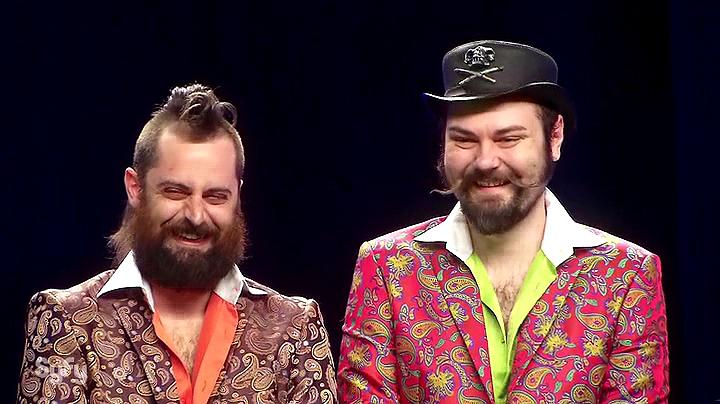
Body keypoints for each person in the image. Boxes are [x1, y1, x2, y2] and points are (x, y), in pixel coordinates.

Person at [338, 40, 669, 403]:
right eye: (464, 140)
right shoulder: (386, 267)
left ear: (554, 136)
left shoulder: (625, 275)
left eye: (508, 139)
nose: (486, 161)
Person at [17, 84, 337, 403]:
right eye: (175, 192)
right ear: (135, 188)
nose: (196, 215)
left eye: (215, 196)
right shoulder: (68, 321)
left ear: (238, 196)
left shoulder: (293, 329)